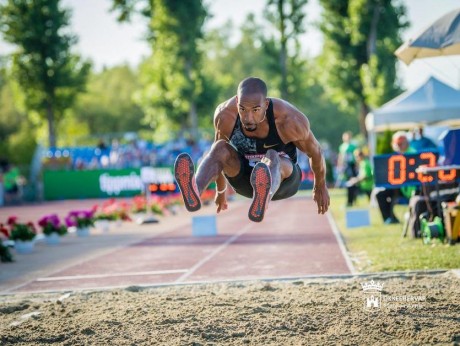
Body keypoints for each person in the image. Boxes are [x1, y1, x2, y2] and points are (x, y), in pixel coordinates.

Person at [174, 77, 330, 222]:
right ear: (236, 102)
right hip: (244, 179)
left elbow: (315, 152)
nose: (248, 118)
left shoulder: (289, 120)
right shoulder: (225, 115)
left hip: (284, 180)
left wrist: (320, 186)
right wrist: (221, 192)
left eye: (255, 110)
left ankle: (263, 197)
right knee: (219, 147)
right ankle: (195, 189)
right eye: (242, 109)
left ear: (266, 105)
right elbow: (218, 158)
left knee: (272, 156)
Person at [376, 131, 416, 224]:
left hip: (412, 187)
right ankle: (390, 219)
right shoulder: (396, 155)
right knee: (381, 194)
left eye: (401, 143)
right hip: (400, 186)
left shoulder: (413, 153)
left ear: (406, 142)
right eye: (397, 144)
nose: (399, 146)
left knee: (389, 194)